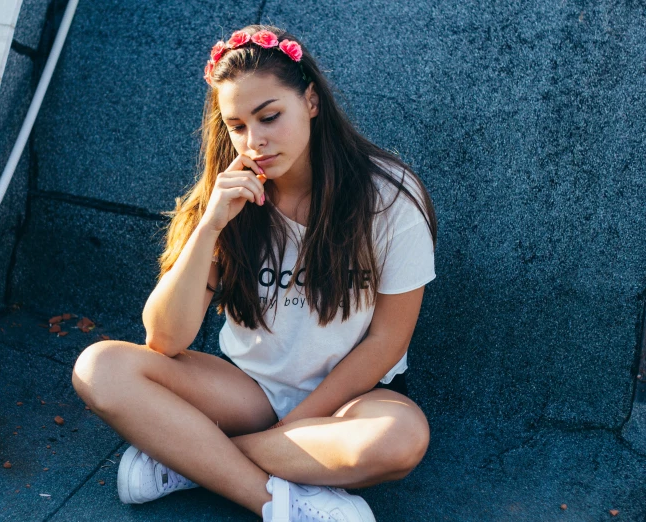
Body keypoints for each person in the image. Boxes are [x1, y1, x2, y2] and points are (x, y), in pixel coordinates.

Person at [72, 24, 438, 522]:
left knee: (401, 440)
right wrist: (210, 227)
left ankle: (192, 458)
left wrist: (300, 423)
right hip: (246, 393)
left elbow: (387, 340)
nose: (255, 141)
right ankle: (278, 503)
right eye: (237, 126)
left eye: (270, 117)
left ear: (311, 100)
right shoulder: (227, 196)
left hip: (351, 401)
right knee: (99, 368)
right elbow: (163, 339)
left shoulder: (389, 197)